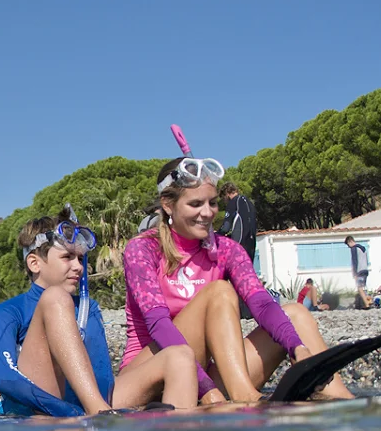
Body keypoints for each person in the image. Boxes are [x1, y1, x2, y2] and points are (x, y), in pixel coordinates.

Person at [121, 157, 354, 403]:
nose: (207, 213)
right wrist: (207, 391)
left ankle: (345, 407)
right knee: (219, 292)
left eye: (212, 203)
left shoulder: (227, 249)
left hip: (204, 377)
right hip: (148, 376)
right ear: (168, 205)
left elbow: (262, 305)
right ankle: (246, 397)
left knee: (296, 314)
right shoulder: (142, 249)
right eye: (196, 204)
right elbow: (158, 324)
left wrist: (297, 347)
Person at [0, 212, 204, 416]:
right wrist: (66, 411)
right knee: (55, 297)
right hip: (40, 411)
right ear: (34, 263)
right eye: (67, 257)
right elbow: (7, 379)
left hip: (92, 406)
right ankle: (101, 416)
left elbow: (102, 376)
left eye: (80, 258)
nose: (79, 267)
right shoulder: (8, 311)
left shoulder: (88, 307)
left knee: (180, 356)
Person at [216, 181, 257, 259]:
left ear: (227, 194)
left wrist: (215, 236)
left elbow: (225, 228)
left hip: (239, 246)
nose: (225, 202)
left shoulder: (233, 202)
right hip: (251, 246)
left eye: (223, 198)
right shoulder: (249, 203)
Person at [345, 236, 370, 310]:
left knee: (359, 288)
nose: (348, 247)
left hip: (359, 271)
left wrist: (354, 273)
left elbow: (354, 261)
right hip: (365, 269)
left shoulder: (354, 248)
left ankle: (367, 304)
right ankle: (366, 302)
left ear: (350, 241)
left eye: (348, 244)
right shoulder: (363, 248)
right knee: (363, 287)